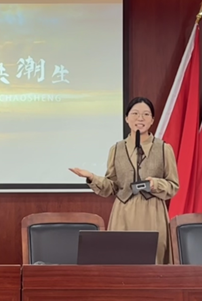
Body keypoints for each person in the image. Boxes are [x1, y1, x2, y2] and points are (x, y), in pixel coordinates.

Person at [69, 97, 179, 264]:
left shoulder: (164, 148)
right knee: (121, 260)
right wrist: (92, 177)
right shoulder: (116, 149)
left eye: (146, 114)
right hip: (123, 213)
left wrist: (155, 184)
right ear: (127, 118)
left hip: (152, 212)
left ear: (152, 120)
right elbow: (111, 187)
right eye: (135, 113)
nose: (140, 118)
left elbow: (173, 186)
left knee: (153, 262)